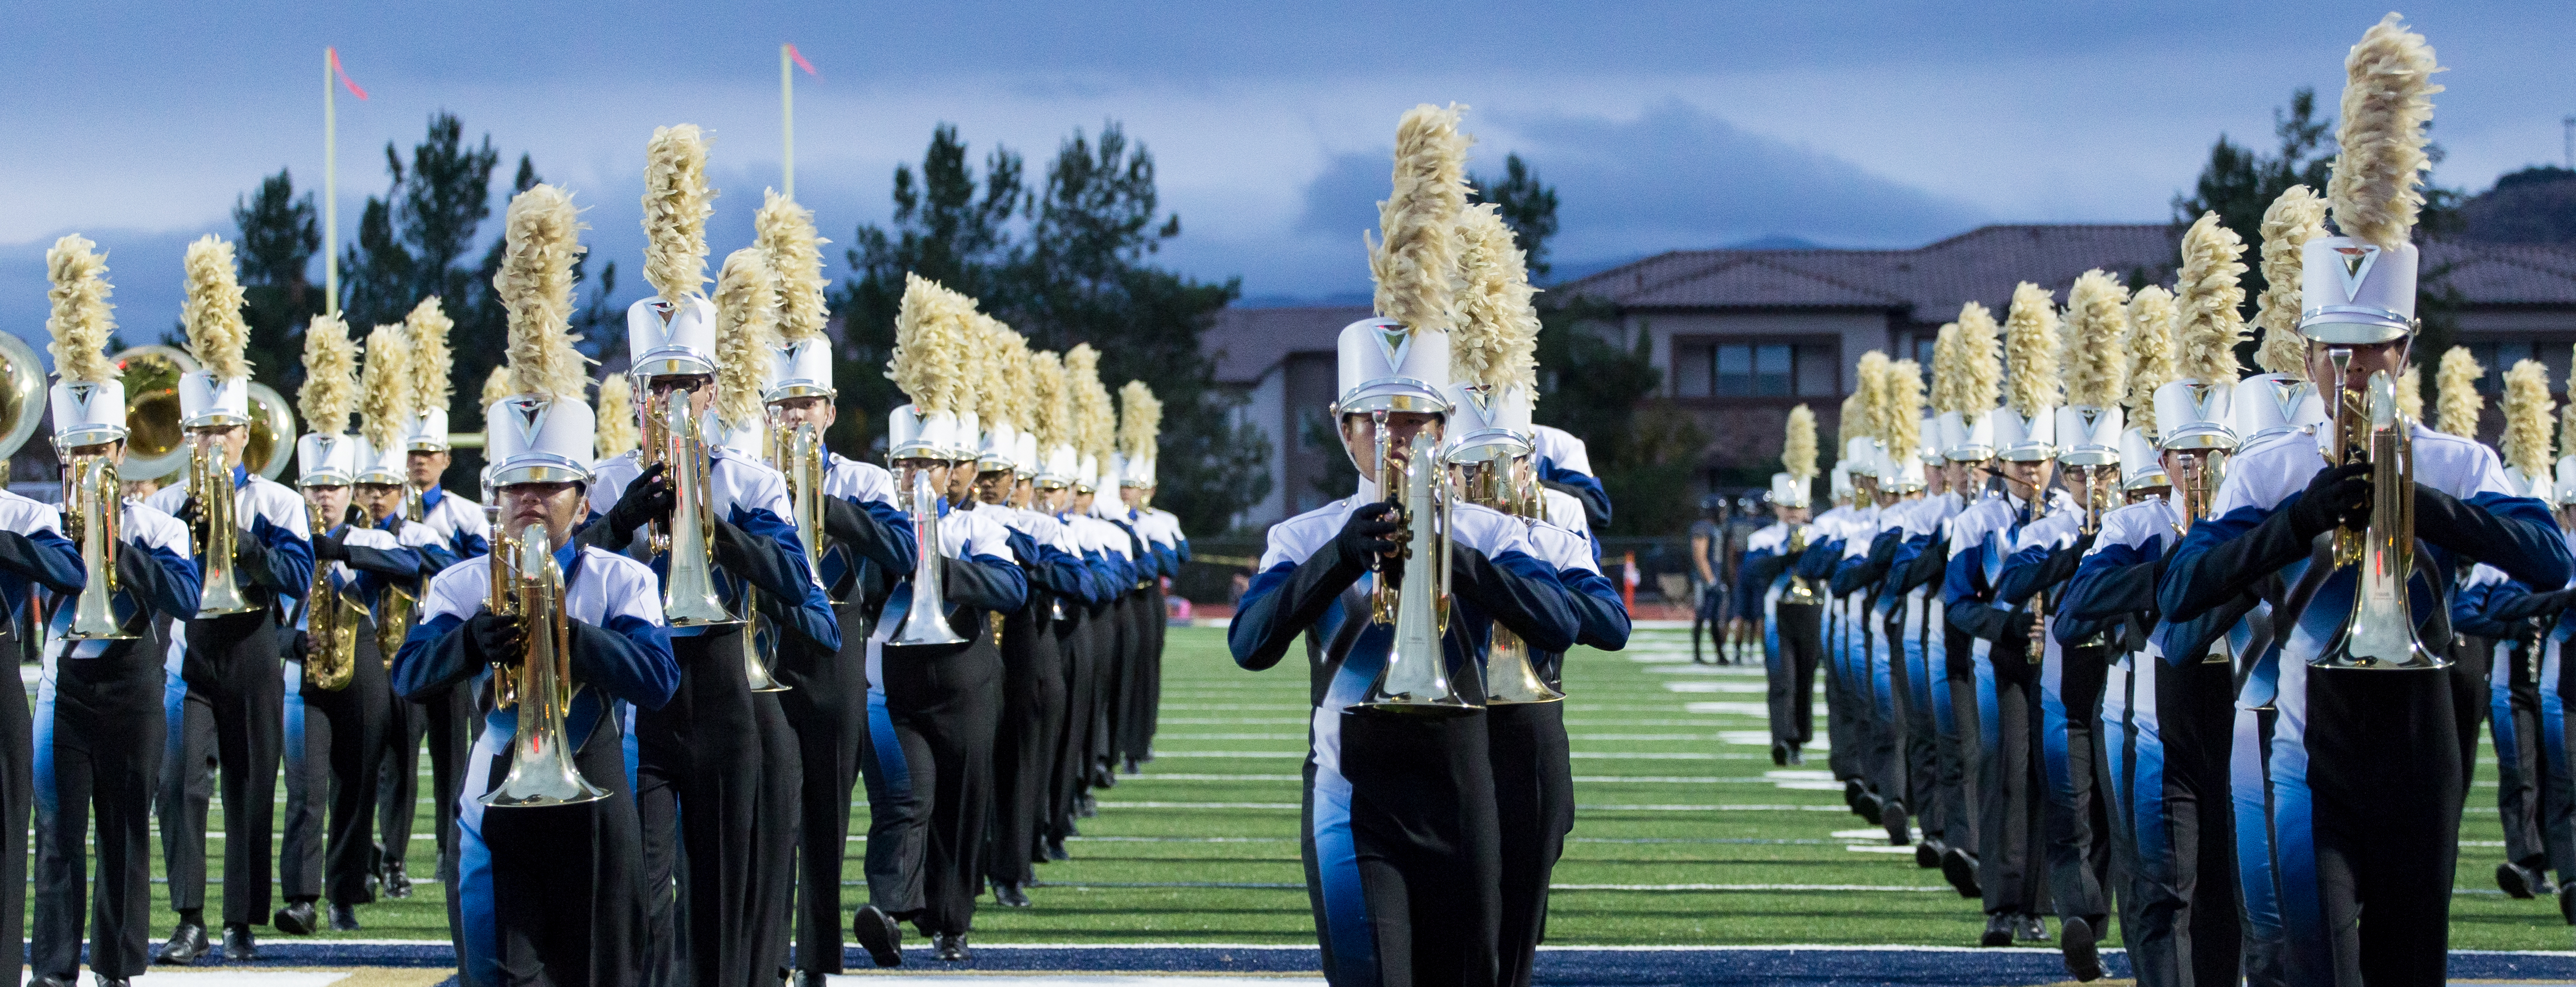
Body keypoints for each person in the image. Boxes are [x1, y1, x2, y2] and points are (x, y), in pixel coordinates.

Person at [2165, 21, 2569, 979]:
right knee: (2314, 964)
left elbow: (2551, 559)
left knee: (2407, 969)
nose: (2353, 371)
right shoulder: (2268, 467)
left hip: (2422, 743)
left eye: (2374, 350)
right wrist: (2300, 517)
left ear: (2405, 352)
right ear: (2305, 354)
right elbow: (2184, 586)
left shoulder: (2456, 461)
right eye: (2334, 351)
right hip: (2308, 748)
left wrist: (2418, 503)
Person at [583, 123, 839, 987]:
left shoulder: (753, 480)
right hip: (640, 697)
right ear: (637, 388)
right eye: (656, 384)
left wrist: (716, 529)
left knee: (722, 895)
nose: (671, 400)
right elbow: (558, 584)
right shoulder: (605, 478)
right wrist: (617, 523)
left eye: (686, 384)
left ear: (712, 389)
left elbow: (803, 593)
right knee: (640, 891)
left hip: (727, 689)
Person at [395, 210, 679, 981]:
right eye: (513, 486)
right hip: (498, 805)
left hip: (595, 802)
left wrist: (565, 631)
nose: (528, 501)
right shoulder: (461, 584)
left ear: (583, 501)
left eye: (546, 485)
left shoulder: (620, 579)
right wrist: (470, 642)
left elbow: (658, 681)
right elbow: (408, 676)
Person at [28, 238, 200, 987]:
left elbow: (187, 597)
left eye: (98, 447)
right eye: (74, 452)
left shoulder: (160, 527)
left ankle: (119, 969)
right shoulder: (40, 523)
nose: (86, 463)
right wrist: (73, 538)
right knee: (61, 837)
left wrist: (117, 544)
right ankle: (58, 969)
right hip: (68, 692)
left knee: (125, 837)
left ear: (123, 448)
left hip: (134, 691)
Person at [147, 235, 317, 963]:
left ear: (245, 434)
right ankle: (190, 916)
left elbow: (298, 576)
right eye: (200, 432)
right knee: (178, 783)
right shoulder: (169, 501)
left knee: (252, 786)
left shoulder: (278, 500)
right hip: (192, 647)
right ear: (187, 436)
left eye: (223, 431)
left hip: (251, 643)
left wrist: (241, 543)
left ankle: (242, 920)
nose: (212, 444)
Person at [758, 260, 916, 985]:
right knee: (767, 824)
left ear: (828, 409)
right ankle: (764, 959)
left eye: (806, 404)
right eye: (782, 405)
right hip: (763, 660)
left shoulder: (863, 479)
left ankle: (819, 965)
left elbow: (903, 550)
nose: (794, 417)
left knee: (825, 821)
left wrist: (825, 499)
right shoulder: (746, 481)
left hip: (834, 666)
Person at [850, 328, 1028, 963]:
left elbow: (1010, 588)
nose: (914, 475)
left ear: (956, 471)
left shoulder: (979, 525)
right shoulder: (877, 525)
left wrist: (939, 567)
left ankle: (952, 920)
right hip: (891, 689)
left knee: (958, 804)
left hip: (966, 687)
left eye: (927, 464)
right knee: (905, 798)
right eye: (903, 463)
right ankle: (888, 909)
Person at [275, 326, 433, 936]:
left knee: (357, 787)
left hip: (362, 665)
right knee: (307, 791)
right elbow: (266, 614)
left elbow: (408, 565)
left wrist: (343, 549)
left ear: (349, 492)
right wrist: (292, 643)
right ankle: (301, 898)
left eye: (333, 488)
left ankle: (344, 891)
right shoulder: (289, 536)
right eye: (314, 487)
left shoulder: (367, 536)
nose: (323, 497)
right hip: (306, 672)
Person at [1943, 282, 2070, 948]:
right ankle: (2001, 902)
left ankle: (2042, 901)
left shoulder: (2073, 518)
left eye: (2042, 459)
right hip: (2008, 657)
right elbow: (1956, 603)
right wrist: (2008, 625)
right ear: (2005, 463)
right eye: (2022, 460)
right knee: (2006, 776)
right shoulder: (1980, 520)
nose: (2034, 471)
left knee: (2055, 777)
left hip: (2065, 656)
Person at [377, 297, 486, 921]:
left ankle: (450, 848)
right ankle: (391, 857)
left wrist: (428, 548)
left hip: (446, 644)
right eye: (410, 453)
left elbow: (470, 577)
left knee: (452, 756)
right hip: (390, 643)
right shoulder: (384, 511)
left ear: (445, 458)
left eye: (427, 453)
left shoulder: (465, 516)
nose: (418, 462)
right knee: (395, 761)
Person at [1738, 418, 1822, 767]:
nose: (1793, 513)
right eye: (1788, 507)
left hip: (1812, 611)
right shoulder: (1764, 539)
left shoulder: (1820, 535)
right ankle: (1780, 739)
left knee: (1804, 679)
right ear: (1777, 508)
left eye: (1798, 507)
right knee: (1781, 678)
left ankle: (1799, 738)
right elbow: (1753, 572)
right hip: (1778, 613)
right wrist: (1790, 555)